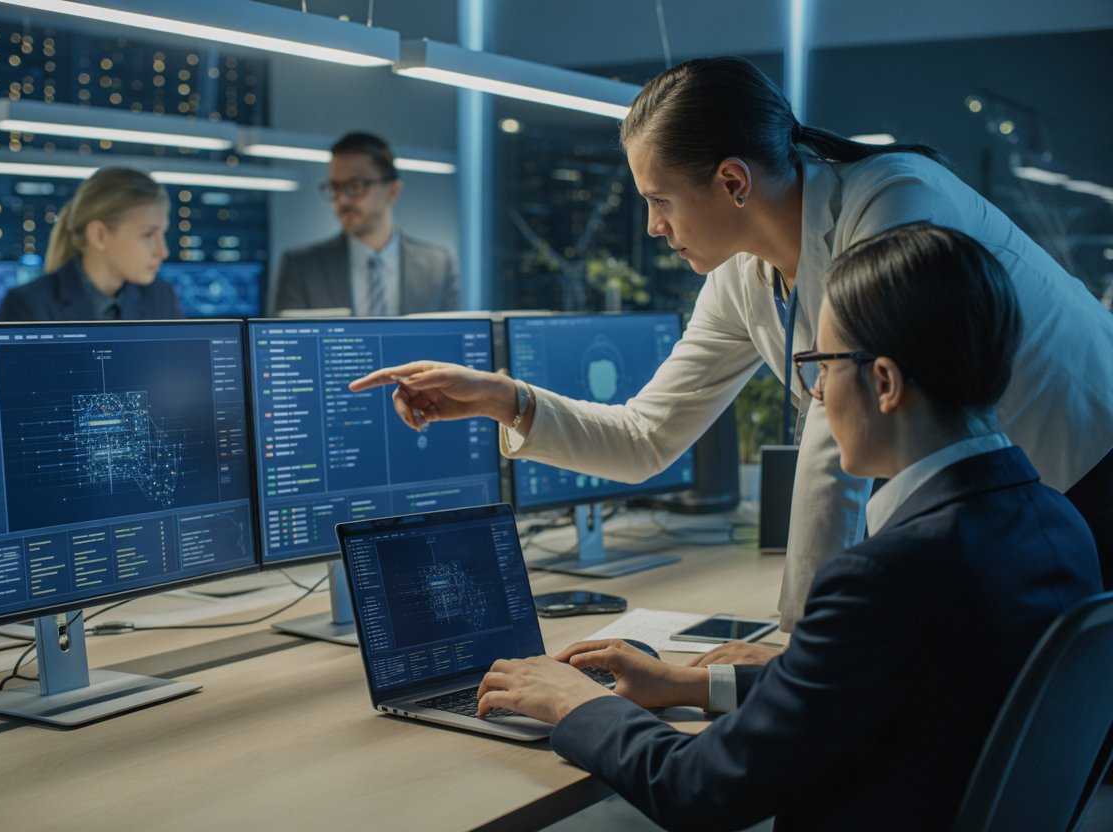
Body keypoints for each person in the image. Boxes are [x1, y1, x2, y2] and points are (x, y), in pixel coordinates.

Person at [350, 57, 1113, 652]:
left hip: (1086, 469)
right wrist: (504, 399)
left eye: (659, 200)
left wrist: (797, 648)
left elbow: (836, 451)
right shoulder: (746, 276)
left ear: (731, 181)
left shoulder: (892, 201)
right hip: (999, 512)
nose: (652, 226)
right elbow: (648, 435)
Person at [474, 224, 1103, 831]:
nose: (817, 393)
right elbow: (883, 682)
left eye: (822, 366)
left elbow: (698, 789)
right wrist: (695, 682)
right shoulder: (1056, 522)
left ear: (883, 383)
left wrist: (578, 703)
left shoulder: (886, 577)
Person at [271, 131, 460, 316]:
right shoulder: (302, 268)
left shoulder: (438, 266)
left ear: (392, 191)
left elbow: (455, 342)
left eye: (355, 186)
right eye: (335, 188)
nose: (342, 200)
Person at [0, 166, 180, 321]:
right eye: (148, 234)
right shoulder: (29, 307)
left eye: (162, 233)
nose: (162, 251)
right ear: (99, 235)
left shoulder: (162, 298)